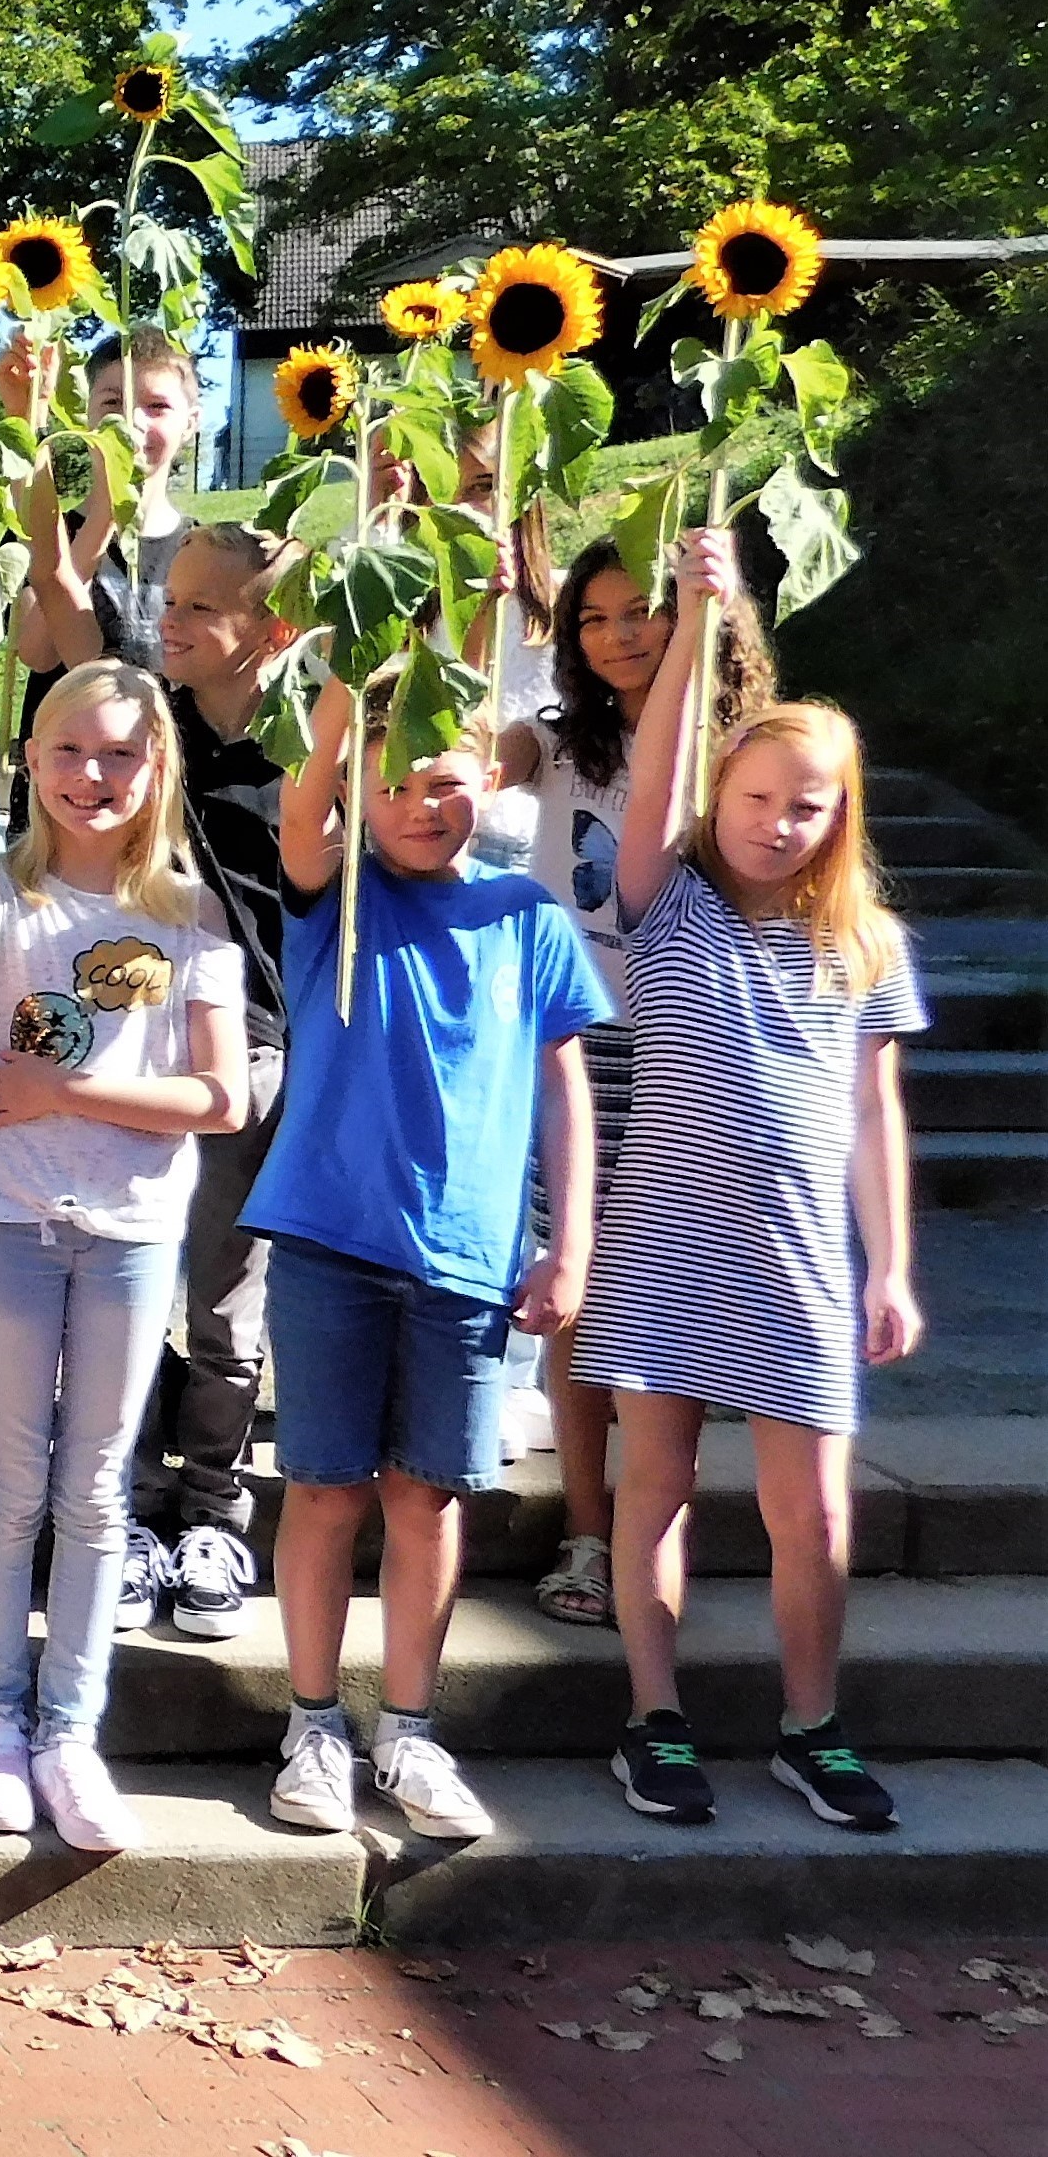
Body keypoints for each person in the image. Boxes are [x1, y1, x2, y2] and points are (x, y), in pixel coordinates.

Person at [585, 529, 925, 1833]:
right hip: (665, 1239)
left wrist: (888, 1262)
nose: (780, 825)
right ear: (714, 796)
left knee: (814, 1508)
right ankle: (655, 1716)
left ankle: (811, 1725)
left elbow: (870, 1109)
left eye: (810, 805)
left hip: (798, 1258)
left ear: (843, 816)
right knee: (653, 1484)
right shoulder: (664, 900)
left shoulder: (862, 938)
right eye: (758, 798)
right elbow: (662, 757)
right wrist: (689, 621)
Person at [246, 676, 610, 1843]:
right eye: (390, 783)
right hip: (327, 1236)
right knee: (321, 1486)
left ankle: (409, 1724)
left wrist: (570, 1241)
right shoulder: (335, 897)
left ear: (487, 782)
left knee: (427, 1495)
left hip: (465, 1254)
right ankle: (311, 1720)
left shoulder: (527, 918)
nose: (418, 803)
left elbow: (564, 1085)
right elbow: (302, 829)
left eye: (443, 779)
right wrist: (341, 719)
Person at [0, 668, 246, 1851]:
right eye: (67, 752)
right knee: (9, 1475)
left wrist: (64, 1087)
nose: (91, 778)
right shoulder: (1, 891)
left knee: (96, 1487)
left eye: (119, 756)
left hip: (132, 1230)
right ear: (29, 759)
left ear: (157, 769)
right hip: (6, 1220)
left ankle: (71, 1729)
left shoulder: (191, 916)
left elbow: (221, 1095)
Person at [497, 538, 772, 1631]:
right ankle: (586, 1528)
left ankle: (657, 1522)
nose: (618, 634)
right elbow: (490, 752)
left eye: (643, 612)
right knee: (576, 1289)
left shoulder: (741, 753)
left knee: (669, 1288)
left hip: (699, 1045)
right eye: (595, 617)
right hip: (580, 1043)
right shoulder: (562, 743)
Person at [114, 525, 302, 1642]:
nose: (167, 622)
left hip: (262, 1048)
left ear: (269, 634)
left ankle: (211, 1507)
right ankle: (130, 1502)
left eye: (197, 609)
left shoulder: (310, 749)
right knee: (130, 1280)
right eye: (165, 601)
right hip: (142, 1043)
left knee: (228, 1299)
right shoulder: (146, 740)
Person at [10, 328, 206, 675]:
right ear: (88, 416)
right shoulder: (47, 529)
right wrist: (105, 514)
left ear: (190, 423)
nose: (132, 422)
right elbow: (36, 652)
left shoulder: (203, 550)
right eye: (112, 403)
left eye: (157, 406)